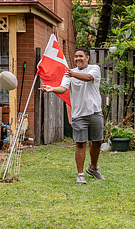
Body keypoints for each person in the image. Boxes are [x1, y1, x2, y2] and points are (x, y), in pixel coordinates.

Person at [40, 48, 104, 184]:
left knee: (97, 142)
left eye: (80, 56)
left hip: (95, 112)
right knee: (80, 143)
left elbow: (88, 78)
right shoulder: (69, 74)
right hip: (79, 114)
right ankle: (80, 174)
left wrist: (73, 74)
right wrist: (52, 88)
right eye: (75, 57)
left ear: (87, 57)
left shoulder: (94, 69)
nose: (77, 59)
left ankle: (93, 168)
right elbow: (63, 88)